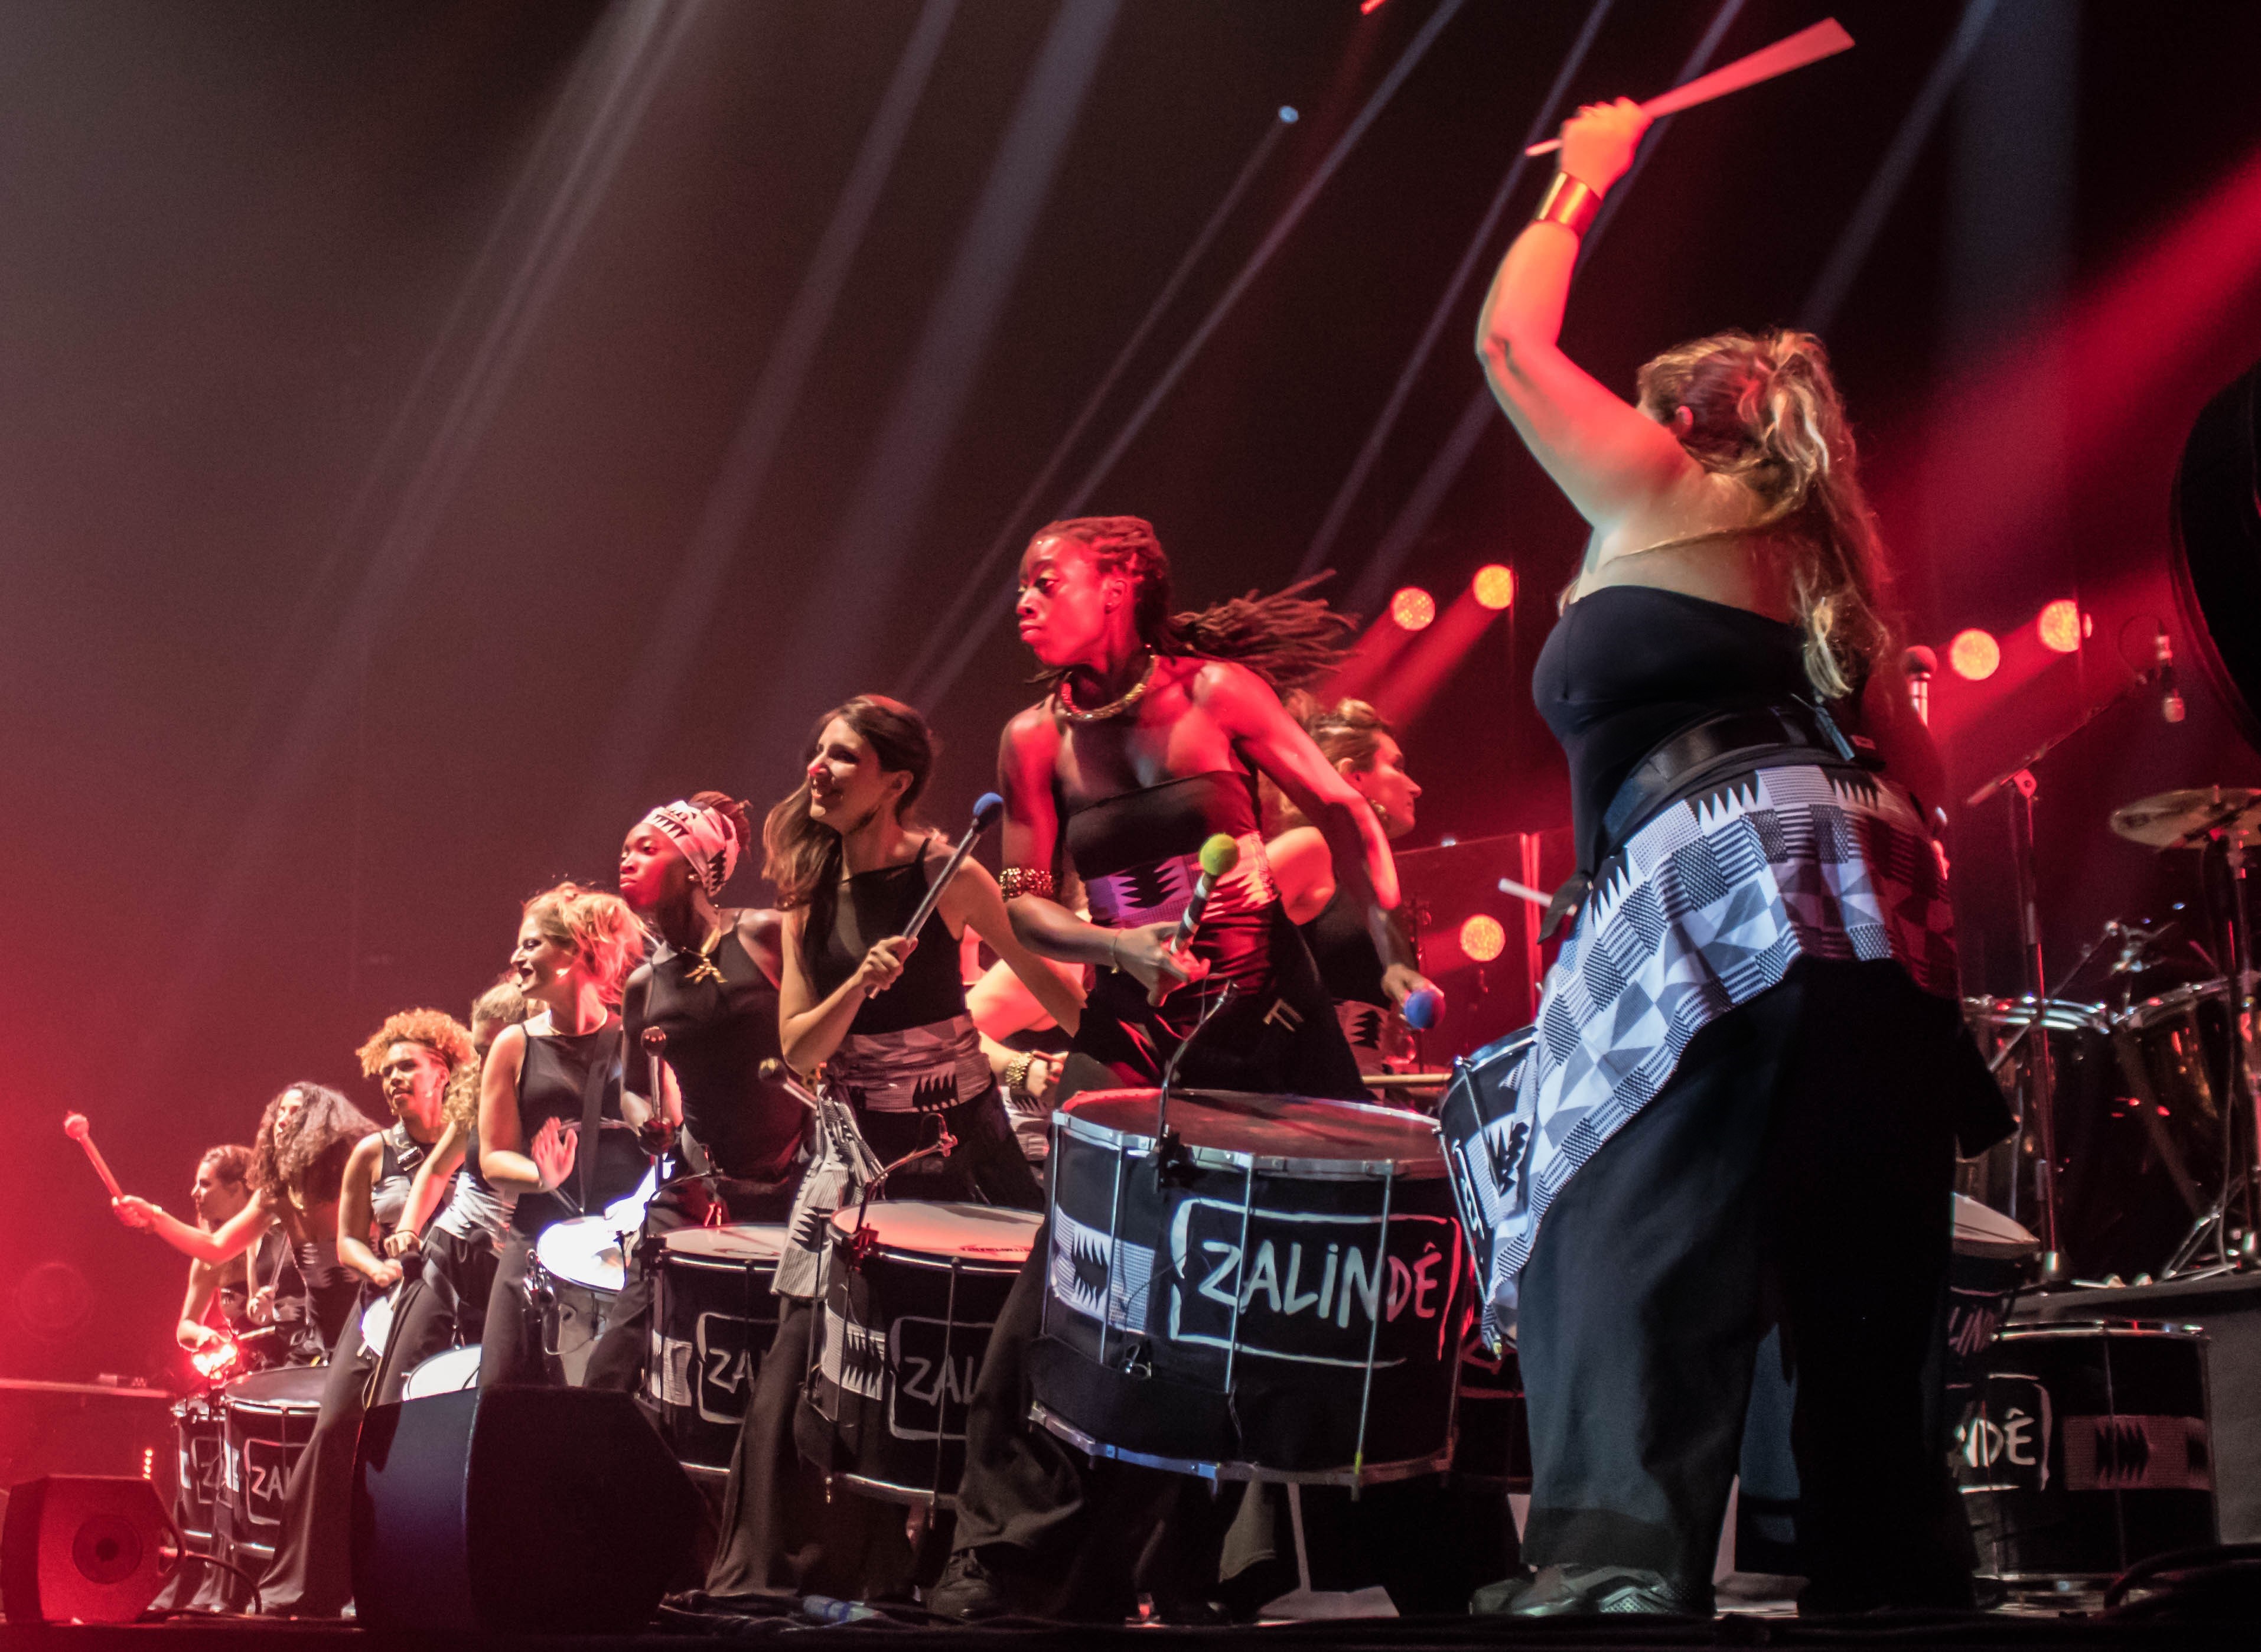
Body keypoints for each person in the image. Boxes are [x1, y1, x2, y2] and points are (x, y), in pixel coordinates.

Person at [1461, 99, 2009, 1615]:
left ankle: (1611, 1569)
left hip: (1723, 874)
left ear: (1684, 418)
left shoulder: (1663, 492)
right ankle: (1884, 1576)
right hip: (1863, 903)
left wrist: (1582, 174)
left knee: (1621, 1219)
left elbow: (1509, 348)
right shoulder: (1813, 554)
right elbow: (1913, 774)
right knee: (1852, 1270)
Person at [931, 517, 1406, 1621]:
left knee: (1343, 1268)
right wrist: (1116, 948)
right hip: (1136, 1022)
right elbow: (1030, 896)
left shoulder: (1217, 694)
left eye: (1046, 580)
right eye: (1018, 586)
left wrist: (1386, 927)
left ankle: (1394, 1546)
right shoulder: (1030, 739)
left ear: (1123, 581)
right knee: (1073, 1273)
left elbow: (1334, 803)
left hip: (1267, 1015)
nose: (1023, 601)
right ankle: (1005, 1557)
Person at [705, 696, 1077, 1601]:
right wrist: (858, 990)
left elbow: (1055, 991)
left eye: (840, 756)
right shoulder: (809, 899)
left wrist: (1112, 1064)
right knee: (800, 1348)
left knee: (978, 1362)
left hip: (963, 1139)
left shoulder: (946, 873)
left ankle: (969, 1566)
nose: (817, 770)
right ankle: (773, 1574)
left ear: (894, 781)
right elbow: (800, 1048)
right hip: (855, 1151)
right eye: (815, 753)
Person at [581, 792, 805, 1394]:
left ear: (693, 866)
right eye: (625, 849)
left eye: (646, 849)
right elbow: (632, 1090)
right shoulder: (642, 985)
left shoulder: (764, 935)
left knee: (773, 1366)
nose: (626, 860)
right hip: (698, 1182)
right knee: (612, 1368)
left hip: (797, 1183)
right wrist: (644, 1121)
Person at [258, 1009, 469, 1617]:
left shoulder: (474, 1134)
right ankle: (316, 1582)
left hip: (467, 1303)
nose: (394, 1078)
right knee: (337, 1428)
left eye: (408, 1066)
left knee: (424, 1440)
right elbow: (350, 1238)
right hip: (387, 1300)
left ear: (445, 1071)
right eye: (388, 1069)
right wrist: (371, 1267)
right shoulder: (373, 1150)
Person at [475, 883, 651, 1387]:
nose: (515, 956)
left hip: (621, 1244)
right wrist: (540, 1173)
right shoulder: (514, 1044)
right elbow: (493, 1159)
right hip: (536, 1236)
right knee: (502, 1390)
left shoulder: (630, 1038)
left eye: (531, 944)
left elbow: (672, 1133)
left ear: (573, 950)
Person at [115, 1084, 373, 1360]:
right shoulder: (274, 1195)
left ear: (321, 1122)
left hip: (373, 1332)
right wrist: (155, 1216)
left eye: (295, 1112)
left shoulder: (358, 1177)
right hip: (322, 1344)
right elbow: (216, 1248)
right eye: (280, 1112)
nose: (283, 1120)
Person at [1266, 698, 1437, 1083]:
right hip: (1297, 1102)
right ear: (1351, 777)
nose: (1416, 787)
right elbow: (1212, 934)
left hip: (1351, 1094)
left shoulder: (1367, 877)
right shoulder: (1310, 846)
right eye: (1395, 766)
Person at [373, 985, 523, 1399]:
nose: (485, 1061)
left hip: (519, 1268)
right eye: (480, 1050)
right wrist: (408, 1226)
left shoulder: (556, 1093)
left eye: (495, 1047)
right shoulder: (478, 1095)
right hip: (454, 1251)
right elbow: (437, 1169)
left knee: (498, 1404)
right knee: (396, 1398)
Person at [170, 1145, 260, 1365]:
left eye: (205, 1184)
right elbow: (186, 1325)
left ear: (236, 1189)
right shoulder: (207, 1256)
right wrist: (201, 1335)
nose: (194, 1193)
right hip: (247, 1373)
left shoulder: (278, 1236)